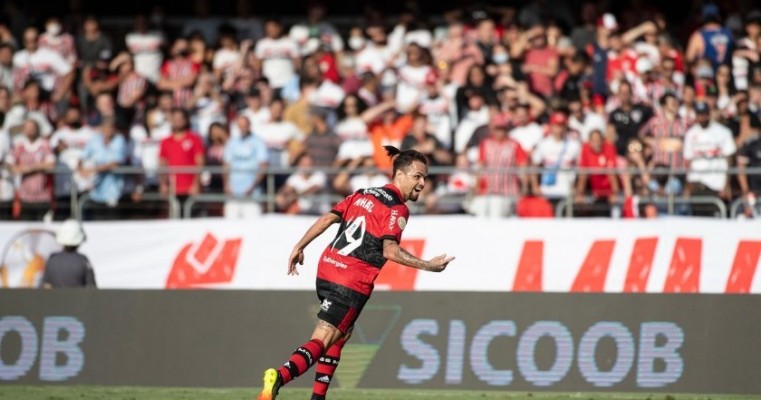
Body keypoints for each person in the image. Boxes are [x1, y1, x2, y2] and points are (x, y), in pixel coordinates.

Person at [256, 146, 454, 400]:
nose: (422, 183)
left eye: (425, 177)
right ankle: (279, 377)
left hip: (327, 268)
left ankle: (318, 397)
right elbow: (390, 251)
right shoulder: (397, 208)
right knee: (325, 336)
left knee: (342, 332)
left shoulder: (362, 194)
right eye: (417, 176)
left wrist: (300, 245)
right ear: (400, 175)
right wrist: (429, 265)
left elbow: (329, 218)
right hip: (350, 279)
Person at [41, 219, 96, 288]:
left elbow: (45, 287)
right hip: (78, 298)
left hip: (56, 298)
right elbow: (92, 289)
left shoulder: (52, 260)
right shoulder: (83, 261)